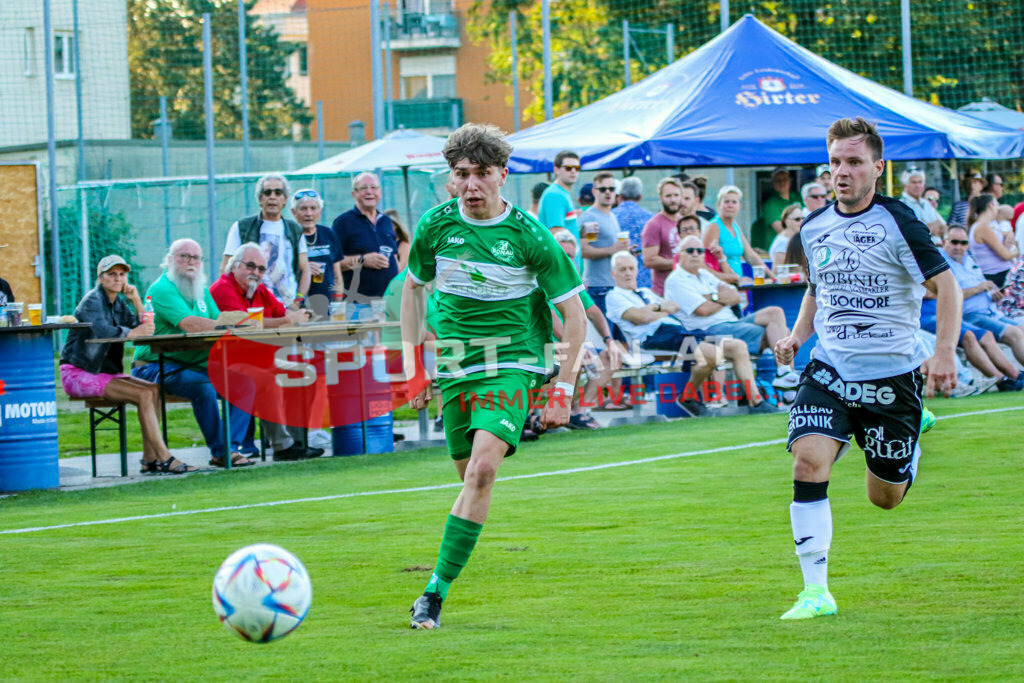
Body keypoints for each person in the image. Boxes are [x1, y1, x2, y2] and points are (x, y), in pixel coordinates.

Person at [773, 116, 961, 620]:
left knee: (885, 498)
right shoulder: (813, 227)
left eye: (854, 162)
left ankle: (911, 436)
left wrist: (944, 352)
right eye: (835, 162)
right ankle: (816, 592)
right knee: (807, 461)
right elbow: (817, 289)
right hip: (830, 369)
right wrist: (797, 336)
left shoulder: (899, 221)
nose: (842, 172)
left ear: (878, 167)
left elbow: (947, 285)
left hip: (892, 377)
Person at [401, 124, 587, 630]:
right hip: (456, 368)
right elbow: (413, 291)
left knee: (482, 471)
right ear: (451, 178)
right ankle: (450, 563)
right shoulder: (435, 226)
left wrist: (563, 390)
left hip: (513, 363)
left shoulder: (530, 234)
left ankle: (433, 594)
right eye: (462, 174)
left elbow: (574, 315)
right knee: (468, 476)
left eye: (482, 173)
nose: (471, 185)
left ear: (502, 175)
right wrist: (414, 369)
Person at [60, 255, 196, 474]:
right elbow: (104, 331)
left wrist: (136, 300)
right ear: (100, 278)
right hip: (79, 373)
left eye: (122, 274)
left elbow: (143, 325)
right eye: (111, 274)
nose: (117, 279)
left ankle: (149, 460)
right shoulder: (92, 300)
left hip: (104, 372)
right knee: (143, 394)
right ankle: (165, 457)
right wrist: (133, 333)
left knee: (153, 390)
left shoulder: (118, 303)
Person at [132, 239, 256, 468]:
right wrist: (234, 325)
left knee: (245, 383)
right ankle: (221, 451)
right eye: (184, 256)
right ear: (170, 260)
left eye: (196, 258)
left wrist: (241, 324)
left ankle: (229, 449)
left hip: (195, 366)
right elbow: (189, 324)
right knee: (203, 385)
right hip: (154, 366)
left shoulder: (201, 290)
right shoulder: (162, 289)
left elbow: (219, 321)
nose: (191, 262)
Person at [606, 251, 777, 416]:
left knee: (738, 347)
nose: (628, 273)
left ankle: (756, 402)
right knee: (711, 355)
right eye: (622, 269)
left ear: (637, 270)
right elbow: (641, 317)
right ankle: (688, 397)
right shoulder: (614, 296)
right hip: (653, 338)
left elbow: (673, 306)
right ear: (613, 274)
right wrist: (659, 308)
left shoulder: (646, 292)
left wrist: (653, 310)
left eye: (631, 268)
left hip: (678, 331)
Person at [209, 243, 324, 461]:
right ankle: (282, 446)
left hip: (260, 358)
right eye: (250, 266)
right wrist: (287, 320)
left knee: (303, 374)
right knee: (268, 380)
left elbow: (282, 312)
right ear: (235, 265)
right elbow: (244, 324)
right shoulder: (222, 288)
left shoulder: (258, 288)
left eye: (261, 269)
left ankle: (297, 442)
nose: (256, 272)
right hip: (228, 362)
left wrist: (300, 316)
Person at [665, 235, 801, 389]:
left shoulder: (704, 274)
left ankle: (784, 373)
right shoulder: (676, 280)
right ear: (680, 254)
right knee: (783, 333)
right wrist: (722, 298)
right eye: (690, 250)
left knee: (775, 312)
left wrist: (712, 298)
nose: (696, 254)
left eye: (700, 251)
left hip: (732, 323)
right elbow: (703, 310)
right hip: (708, 330)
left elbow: (736, 296)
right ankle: (787, 383)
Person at [924, 228, 1024, 391]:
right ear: (944, 242)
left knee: (1019, 329)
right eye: (954, 242)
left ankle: (1011, 376)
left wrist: (993, 293)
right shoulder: (938, 262)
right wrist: (978, 289)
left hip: (987, 310)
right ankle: (1008, 378)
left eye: (963, 243)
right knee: (1006, 333)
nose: (959, 247)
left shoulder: (968, 260)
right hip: (965, 313)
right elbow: (945, 294)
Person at [221, 173, 311, 307]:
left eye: (278, 193)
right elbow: (226, 268)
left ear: (285, 199)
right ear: (260, 199)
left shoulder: (295, 230)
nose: (272, 197)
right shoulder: (242, 227)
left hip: (287, 306)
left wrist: (298, 300)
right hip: (252, 305)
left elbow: (305, 269)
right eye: (267, 193)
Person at [332, 172, 401, 301]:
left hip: (389, 300)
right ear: (354, 194)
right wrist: (362, 260)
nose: (369, 192)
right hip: (358, 303)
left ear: (380, 192)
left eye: (373, 187)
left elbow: (394, 258)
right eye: (363, 188)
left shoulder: (386, 221)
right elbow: (334, 263)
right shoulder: (343, 222)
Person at [579, 171, 629, 313]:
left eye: (611, 189)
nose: (608, 192)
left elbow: (611, 247)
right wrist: (613, 249)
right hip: (598, 286)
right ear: (594, 191)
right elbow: (584, 250)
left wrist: (626, 251)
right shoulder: (590, 218)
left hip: (613, 284)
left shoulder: (611, 215)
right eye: (603, 189)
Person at [291, 188, 344, 317]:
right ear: (294, 212)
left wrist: (338, 306)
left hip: (327, 308)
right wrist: (304, 269)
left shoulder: (328, 234)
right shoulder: (290, 236)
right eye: (303, 209)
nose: (308, 213)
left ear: (319, 212)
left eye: (313, 208)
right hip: (299, 309)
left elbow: (337, 276)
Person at [703, 185, 774, 281]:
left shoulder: (735, 226)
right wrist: (735, 279)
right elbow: (707, 262)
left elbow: (750, 255)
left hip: (738, 283)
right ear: (719, 204)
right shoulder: (714, 226)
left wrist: (772, 276)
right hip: (723, 283)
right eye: (726, 202)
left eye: (734, 202)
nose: (730, 205)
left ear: (739, 206)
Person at [642, 178, 700, 295]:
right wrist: (680, 262)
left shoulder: (683, 222)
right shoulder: (654, 224)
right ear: (660, 198)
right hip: (664, 292)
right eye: (668, 196)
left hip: (688, 288)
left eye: (676, 195)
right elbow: (649, 261)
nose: (673, 200)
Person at [968, 193, 1019, 288]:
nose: (998, 209)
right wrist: (1017, 251)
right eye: (997, 205)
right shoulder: (982, 227)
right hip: (998, 276)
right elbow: (1006, 255)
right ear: (991, 206)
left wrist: (1009, 234)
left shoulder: (986, 225)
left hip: (999, 275)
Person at [612, 176, 654, 289]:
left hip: (618, 275)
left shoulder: (611, 216)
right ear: (640, 197)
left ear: (619, 196)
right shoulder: (651, 218)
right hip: (645, 276)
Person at [538, 150, 582, 243]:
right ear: (556, 170)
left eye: (577, 168)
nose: (573, 171)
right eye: (568, 168)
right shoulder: (555, 194)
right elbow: (557, 234)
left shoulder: (561, 192)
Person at [752, 166, 796, 251]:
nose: (782, 183)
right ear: (773, 183)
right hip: (779, 250)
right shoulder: (770, 204)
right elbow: (781, 230)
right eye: (778, 180)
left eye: (785, 179)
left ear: (790, 180)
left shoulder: (798, 197)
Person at [899, 169, 947, 242]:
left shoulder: (926, 203)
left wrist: (928, 228)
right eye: (914, 182)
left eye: (920, 182)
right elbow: (914, 233)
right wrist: (932, 227)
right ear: (905, 185)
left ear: (924, 185)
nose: (918, 185)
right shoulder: (901, 205)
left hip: (937, 246)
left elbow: (944, 227)